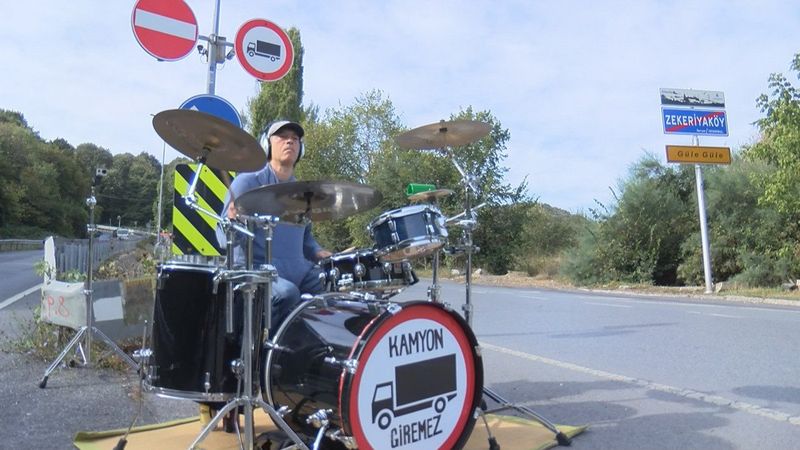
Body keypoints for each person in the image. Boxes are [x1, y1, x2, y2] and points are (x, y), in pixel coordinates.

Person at [220, 120, 332, 334]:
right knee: (287, 294)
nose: (290, 141)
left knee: (335, 284)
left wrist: (319, 252)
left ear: (301, 149)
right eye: (282, 136)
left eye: (295, 138)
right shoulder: (246, 183)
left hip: (299, 271)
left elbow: (306, 238)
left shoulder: (303, 192)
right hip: (257, 271)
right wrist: (233, 223)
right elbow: (221, 237)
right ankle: (268, 352)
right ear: (267, 144)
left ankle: (317, 349)